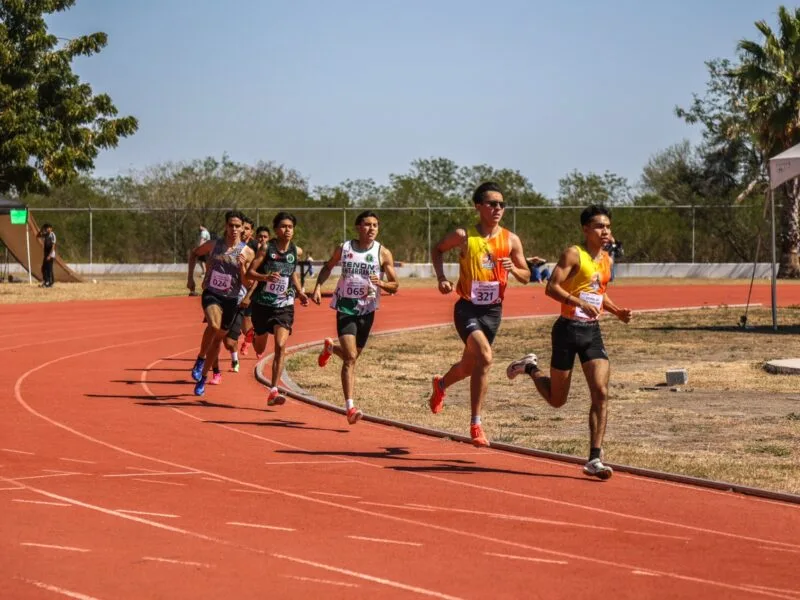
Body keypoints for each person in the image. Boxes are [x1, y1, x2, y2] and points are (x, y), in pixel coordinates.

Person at [506, 204, 632, 480]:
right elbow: (551, 287)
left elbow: (600, 294)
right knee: (556, 400)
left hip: (592, 332)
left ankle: (595, 458)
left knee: (600, 391)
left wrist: (617, 311)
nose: (605, 231)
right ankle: (529, 367)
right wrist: (577, 303)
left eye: (608, 227)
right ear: (586, 229)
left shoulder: (606, 260)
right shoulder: (574, 254)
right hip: (566, 330)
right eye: (599, 226)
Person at [428, 182, 530, 447]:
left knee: (467, 367)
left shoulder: (511, 239)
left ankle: (441, 385)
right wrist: (441, 277)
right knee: (485, 357)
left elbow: (527, 275)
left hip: (493, 312)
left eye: (502, 204)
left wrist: (513, 269)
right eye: (492, 204)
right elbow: (437, 249)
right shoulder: (464, 236)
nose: (498, 209)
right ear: (478, 207)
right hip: (467, 308)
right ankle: (476, 424)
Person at [312, 210, 399, 425]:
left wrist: (382, 284)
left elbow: (395, 284)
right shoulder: (345, 249)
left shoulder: (383, 252)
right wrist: (317, 286)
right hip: (345, 307)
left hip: (367, 310)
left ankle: (331, 349)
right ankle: (350, 407)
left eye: (375, 225)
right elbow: (328, 266)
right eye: (367, 224)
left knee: (353, 355)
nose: (372, 229)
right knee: (350, 357)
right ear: (358, 227)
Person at [186, 210, 255, 396]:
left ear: (242, 229)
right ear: (226, 226)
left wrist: (241, 267)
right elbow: (194, 254)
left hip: (231, 299)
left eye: (237, 226)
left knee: (218, 340)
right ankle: (200, 359)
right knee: (214, 326)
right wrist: (190, 278)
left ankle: (203, 378)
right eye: (231, 225)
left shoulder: (247, 253)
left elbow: (249, 282)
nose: (234, 229)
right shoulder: (214, 244)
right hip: (212, 293)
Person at [244, 212, 309, 406]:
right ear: (275, 229)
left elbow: (292, 274)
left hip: (284, 306)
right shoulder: (266, 248)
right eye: (283, 227)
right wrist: (265, 278)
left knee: (281, 346)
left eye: (290, 227)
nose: (287, 230)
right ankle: (254, 333)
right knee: (260, 347)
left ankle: (273, 389)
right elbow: (250, 273)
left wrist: (300, 292)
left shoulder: (295, 251)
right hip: (262, 305)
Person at [210, 215, 258, 381]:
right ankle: (215, 371)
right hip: (218, 297)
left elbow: (253, 281)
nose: (240, 231)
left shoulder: (252, 250)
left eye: (244, 228)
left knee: (229, 342)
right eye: (236, 227)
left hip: (237, 301)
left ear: (249, 230)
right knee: (214, 335)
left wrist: (243, 267)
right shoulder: (222, 245)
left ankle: (235, 356)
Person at [241, 224, 270, 358]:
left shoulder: (270, 253)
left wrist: (249, 295)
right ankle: (251, 339)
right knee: (244, 322)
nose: (262, 239)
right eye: (260, 236)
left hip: (259, 293)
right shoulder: (251, 250)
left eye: (265, 237)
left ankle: (256, 343)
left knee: (256, 321)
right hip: (245, 288)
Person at [37, 223, 56, 288]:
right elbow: (38, 236)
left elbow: (53, 246)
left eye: (48, 228)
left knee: (49, 269)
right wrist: (41, 229)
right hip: (46, 254)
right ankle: (46, 281)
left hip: (50, 254)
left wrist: (50, 255)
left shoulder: (52, 235)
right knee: (43, 268)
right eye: (46, 228)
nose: (47, 229)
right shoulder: (46, 235)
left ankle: (50, 282)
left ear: (51, 228)